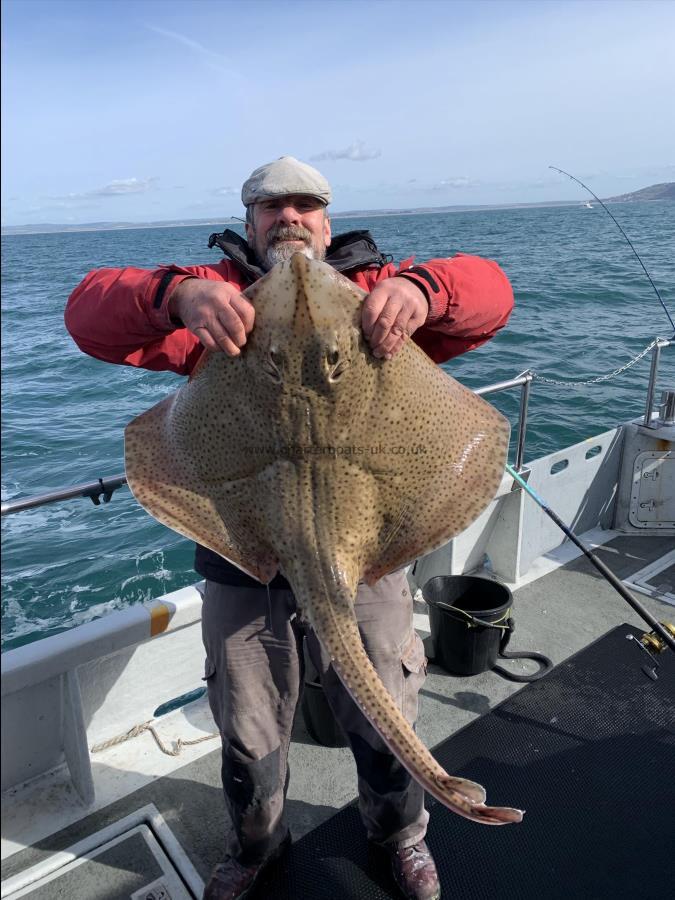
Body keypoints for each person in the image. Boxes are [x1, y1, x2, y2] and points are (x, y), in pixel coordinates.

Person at [65, 156, 514, 900]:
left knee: (382, 706)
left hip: (368, 556)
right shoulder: (214, 301)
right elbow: (88, 315)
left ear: (327, 221)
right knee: (249, 728)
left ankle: (400, 836)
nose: (289, 217)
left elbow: (491, 296)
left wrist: (421, 292)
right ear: (249, 224)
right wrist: (175, 296)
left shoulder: (377, 291)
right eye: (272, 207)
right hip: (242, 550)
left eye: (305, 205)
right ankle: (256, 846)